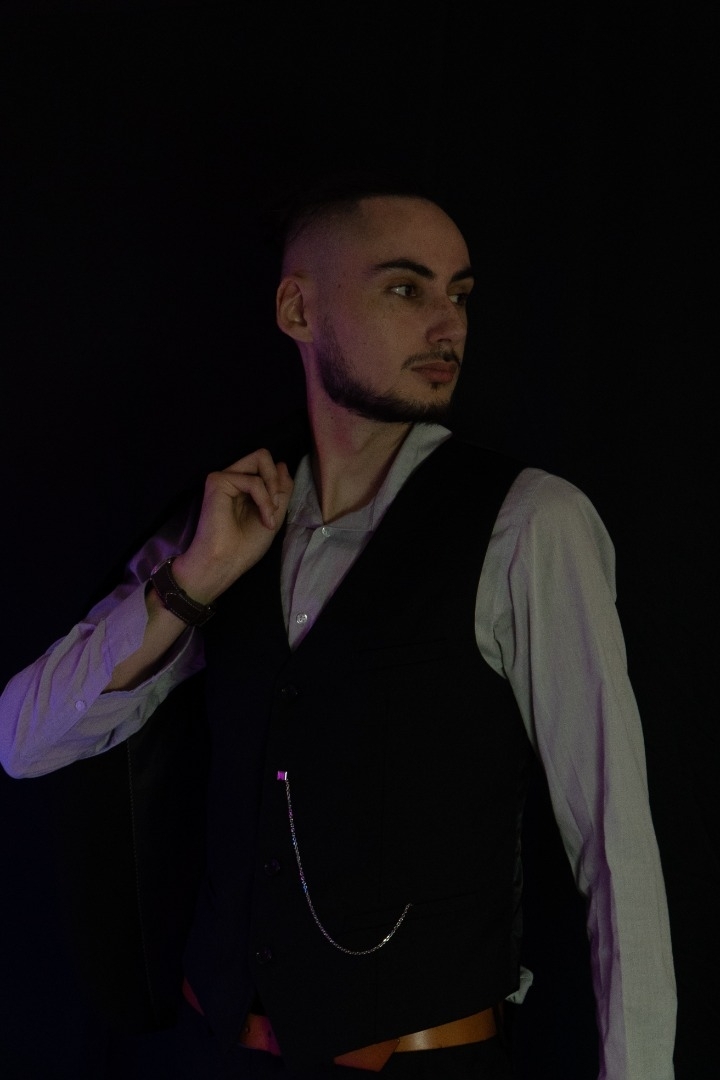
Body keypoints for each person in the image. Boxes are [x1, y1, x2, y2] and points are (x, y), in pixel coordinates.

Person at [0, 177, 676, 1079]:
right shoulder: (226, 518)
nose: (447, 324)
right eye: (405, 288)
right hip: (217, 1054)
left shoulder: (529, 523)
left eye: (459, 294)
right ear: (298, 309)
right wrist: (195, 580)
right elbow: (24, 741)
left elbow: (615, 843)